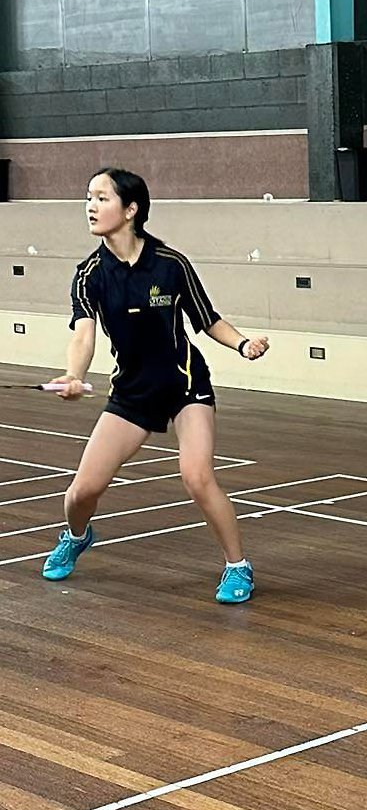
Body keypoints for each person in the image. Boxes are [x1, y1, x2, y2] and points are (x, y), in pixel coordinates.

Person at [41, 167, 269, 604]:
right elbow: (84, 332)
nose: (90, 206)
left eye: (102, 198)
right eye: (88, 197)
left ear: (131, 209)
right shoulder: (89, 274)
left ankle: (238, 567)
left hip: (184, 384)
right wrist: (74, 375)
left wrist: (242, 345)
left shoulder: (170, 265)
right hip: (132, 392)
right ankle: (76, 535)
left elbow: (208, 319)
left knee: (197, 477)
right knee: (82, 492)